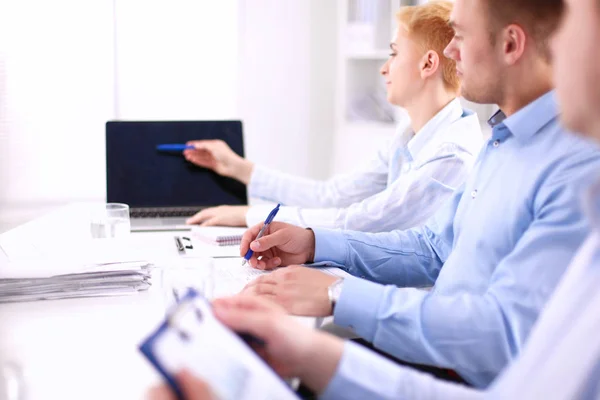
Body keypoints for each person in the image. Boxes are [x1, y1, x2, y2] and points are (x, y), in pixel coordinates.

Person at [150, 0, 600, 397]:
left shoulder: (575, 169)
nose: (449, 50)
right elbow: (434, 248)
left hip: (454, 372)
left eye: (459, 36)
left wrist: (339, 294)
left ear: (510, 45)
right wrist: (313, 244)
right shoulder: (501, 140)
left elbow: (501, 335)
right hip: (436, 364)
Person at [183, 1, 483, 233]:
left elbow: (362, 221)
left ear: (428, 64)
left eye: (394, 54)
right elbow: (332, 196)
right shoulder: (409, 138)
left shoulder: (451, 156)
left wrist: (249, 215)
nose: (384, 68)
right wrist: (238, 167)